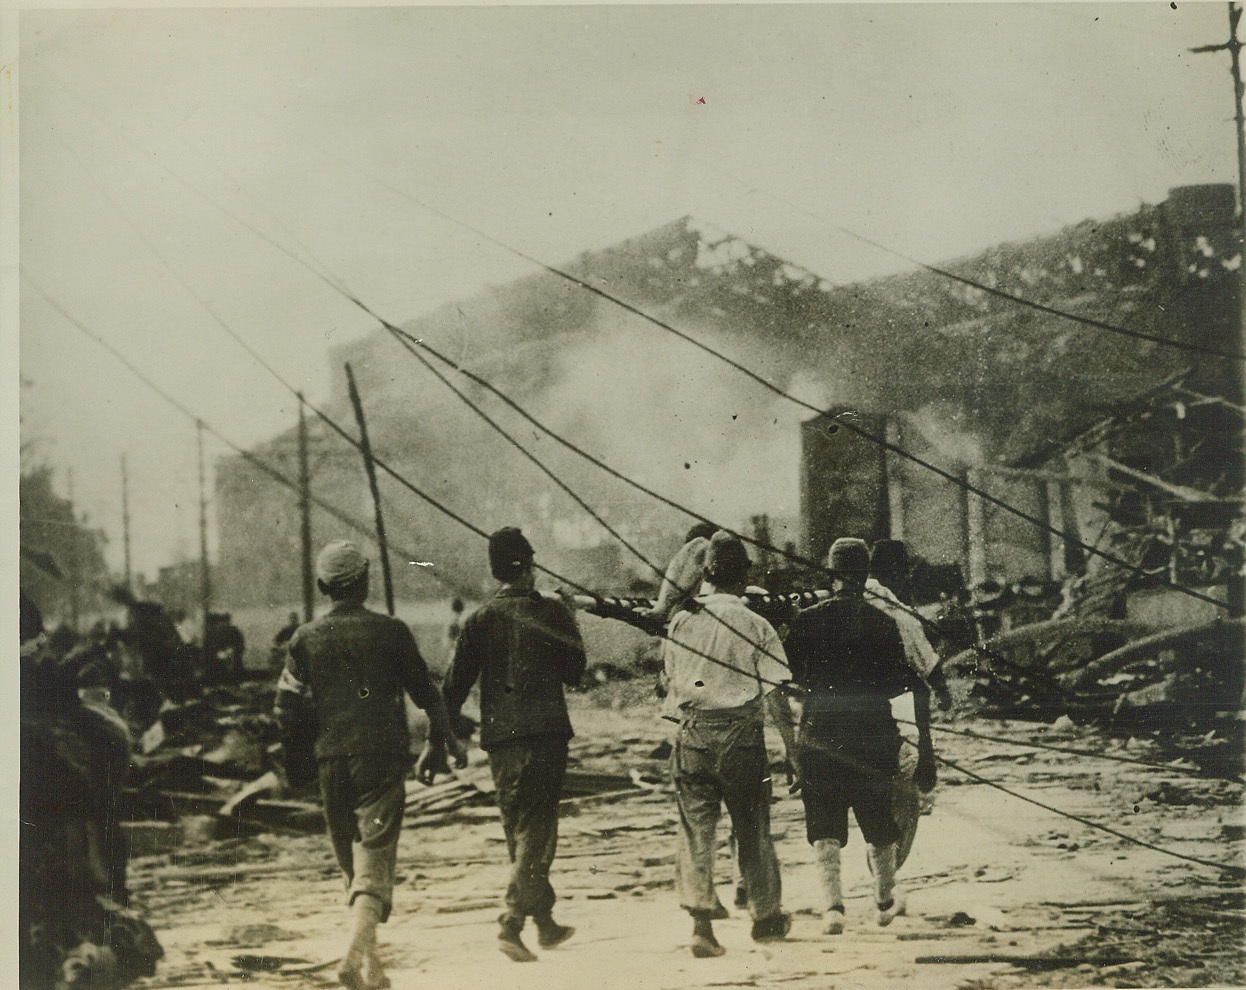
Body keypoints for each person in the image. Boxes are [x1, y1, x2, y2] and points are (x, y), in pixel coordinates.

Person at [274, 540, 468, 990]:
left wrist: (302, 764)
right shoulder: (393, 632)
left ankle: (372, 967)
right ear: (365, 582)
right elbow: (427, 696)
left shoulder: (303, 639)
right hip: (380, 761)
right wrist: (444, 742)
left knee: (355, 871)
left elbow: (285, 708)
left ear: (323, 586)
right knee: (374, 866)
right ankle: (349, 960)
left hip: (330, 763)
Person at [441, 527, 587, 963]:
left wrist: (443, 740)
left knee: (518, 830)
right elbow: (575, 672)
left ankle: (543, 922)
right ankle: (511, 922)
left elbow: (452, 688)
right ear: (529, 565)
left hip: (501, 741)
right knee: (537, 831)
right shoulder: (554, 612)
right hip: (544, 734)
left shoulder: (479, 620)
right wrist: (573, 617)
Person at [784, 538, 935, 936]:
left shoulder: (806, 620)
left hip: (820, 730)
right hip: (872, 732)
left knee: (824, 822)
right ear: (866, 574)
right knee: (878, 820)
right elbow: (897, 684)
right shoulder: (883, 622)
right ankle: (884, 902)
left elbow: (791, 679)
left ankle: (833, 908)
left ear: (831, 574)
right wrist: (911, 740)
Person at [660, 531, 798, 958]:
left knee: (696, 832)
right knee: (753, 827)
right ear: (745, 577)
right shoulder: (758, 624)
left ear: (706, 575)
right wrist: (793, 751)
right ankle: (766, 918)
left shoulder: (682, 620)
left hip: (693, 736)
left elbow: (669, 682)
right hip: (741, 739)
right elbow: (776, 693)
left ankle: (702, 925)